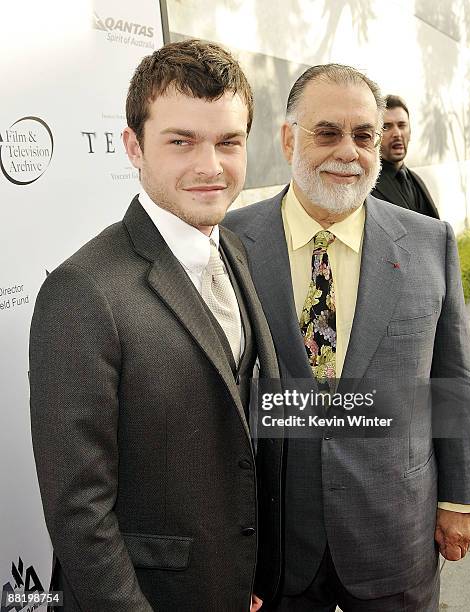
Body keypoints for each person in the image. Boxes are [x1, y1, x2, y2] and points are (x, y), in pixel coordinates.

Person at [29, 39, 283, 612]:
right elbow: (79, 509)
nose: (210, 166)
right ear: (133, 146)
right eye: (181, 141)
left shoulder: (236, 251)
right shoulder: (83, 291)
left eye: (228, 142)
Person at [224, 64, 470, 611]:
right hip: (278, 542)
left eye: (364, 135)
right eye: (328, 132)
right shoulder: (231, 241)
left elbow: (452, 379)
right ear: (289, 137)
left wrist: (461, 496)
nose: (349, 151)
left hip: (396, 527)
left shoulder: (429, 241)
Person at [371, 94, 440, 218]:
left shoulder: (416, 180)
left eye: (402, 125)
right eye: (386, 127)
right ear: (375, 134)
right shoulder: (368, 187)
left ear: (410, 131)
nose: (397, 134)